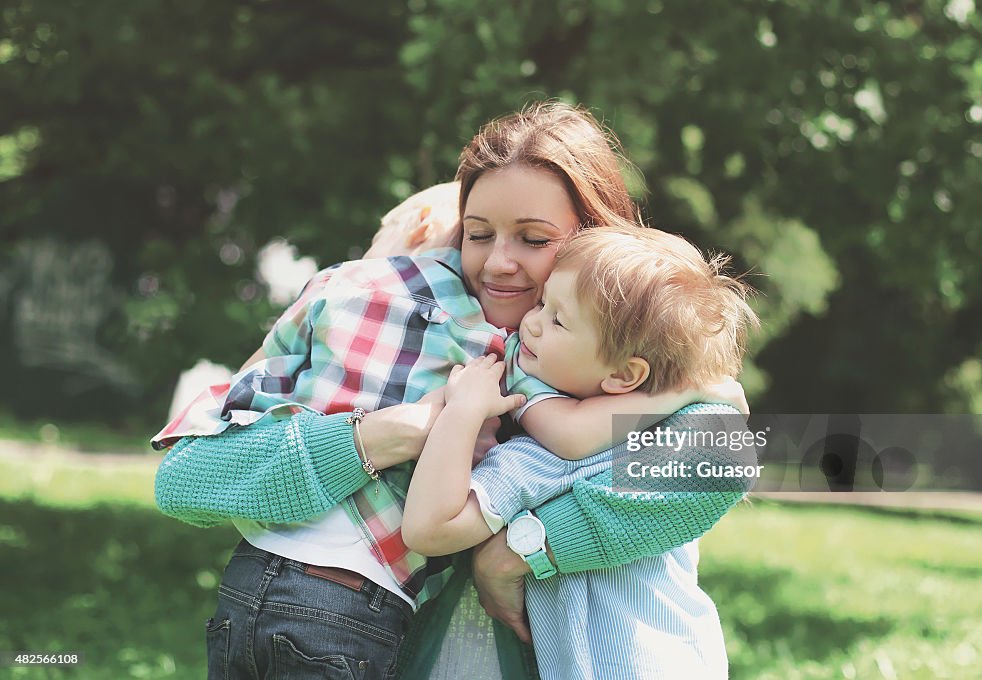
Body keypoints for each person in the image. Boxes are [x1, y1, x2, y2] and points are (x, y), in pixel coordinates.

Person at [152, 102, 749, 680]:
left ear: (597, 245)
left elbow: (721, 459)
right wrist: (387, 433)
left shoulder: (636, 355)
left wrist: (517, 552)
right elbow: (186, 476)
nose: (497, 264)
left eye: (536, 241)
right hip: (371, 637)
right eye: (475, 234)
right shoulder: (426, 327)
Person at [403, 225, 759, 679]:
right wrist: (683, 394)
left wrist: (463, 411)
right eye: (541, 303)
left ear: (625, 375)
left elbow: (429, 529)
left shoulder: (547, 461)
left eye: (557, 319)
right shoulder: (668, 439)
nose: (529, 323)